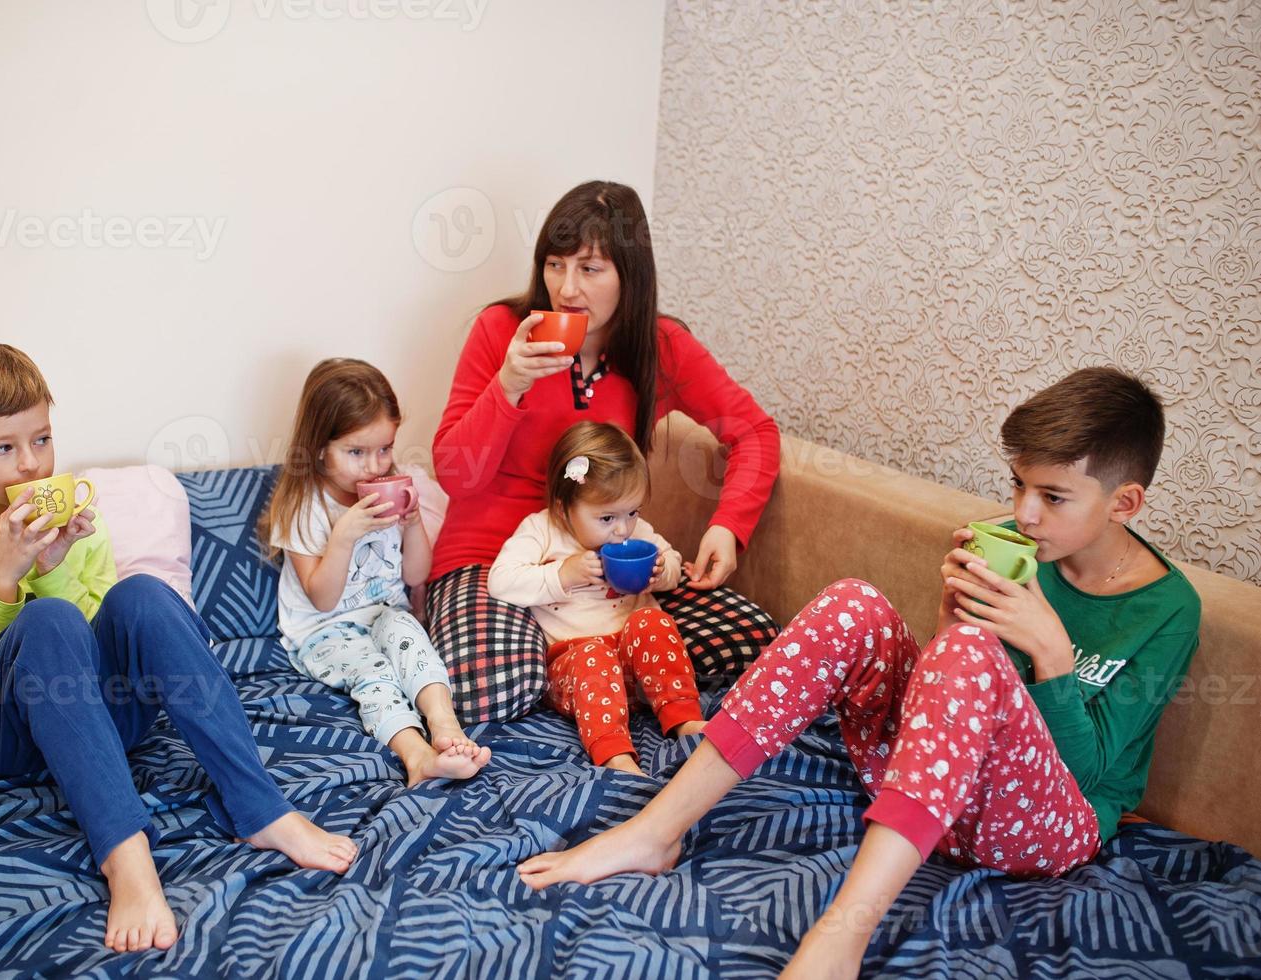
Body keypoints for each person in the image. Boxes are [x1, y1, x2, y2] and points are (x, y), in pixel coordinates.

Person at [517, 367, 1201, 979]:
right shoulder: (1016, 548)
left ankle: (839, 940)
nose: (1023, 513)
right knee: (854, 603)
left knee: (970, 657)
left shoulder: (1166, 610)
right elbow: (948, 703)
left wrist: (1051, 656)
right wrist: (951, 618)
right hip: (934, 798)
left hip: (1047, 830)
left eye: (1053, 497)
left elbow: (1085, 781)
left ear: (1123, 503)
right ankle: (654, 830)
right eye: (1019, 484)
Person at [0, 341, 358, 954]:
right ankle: (126, 855)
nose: (31, 465)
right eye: (2, 447)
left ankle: (262, 808)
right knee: (46, 619)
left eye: (42, 439)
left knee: (140, 594)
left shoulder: (77, 508)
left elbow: (91, 644)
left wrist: (54, 561)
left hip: (97, 720)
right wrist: (6, 575)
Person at [429, 180, 782, 723]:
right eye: (554, 264)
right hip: (493, 561)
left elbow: (755, 432)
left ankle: (592, 663)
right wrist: (507, 386)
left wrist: (728, 526)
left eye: (589, 269)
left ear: (629, 276)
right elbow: (456, 475)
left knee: (754, 639)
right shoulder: (501, 331)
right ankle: (585, 665)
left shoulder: (662, 348)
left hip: (607, 565)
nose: (566, 289)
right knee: (488, 687)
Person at [259, 358, 489, 786]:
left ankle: (444, 726)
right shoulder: (304, 506)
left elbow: (417, 576)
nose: (374, 466)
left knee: (409, 636)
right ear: (319, 447)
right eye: (357, 452)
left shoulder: (392, 486)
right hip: (325, 630)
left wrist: (413, 523)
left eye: (384, 449)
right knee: (373, 672)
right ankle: (416, 755)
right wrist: (343, 536)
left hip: (384, 614)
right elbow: (322, 599)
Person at [488, 422, 706, 776]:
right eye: (607, 518)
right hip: (577, 671)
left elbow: (675, 568)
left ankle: (685, 718)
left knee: (654, 620)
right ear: (563, 509)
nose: (622, 529)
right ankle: (614, 752)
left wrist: (661, 572)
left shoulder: (638, 532)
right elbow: (501, 581)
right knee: (592, 654)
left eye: (632, 512)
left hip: (639, 670)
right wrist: (563, 574)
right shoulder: (542, 530)